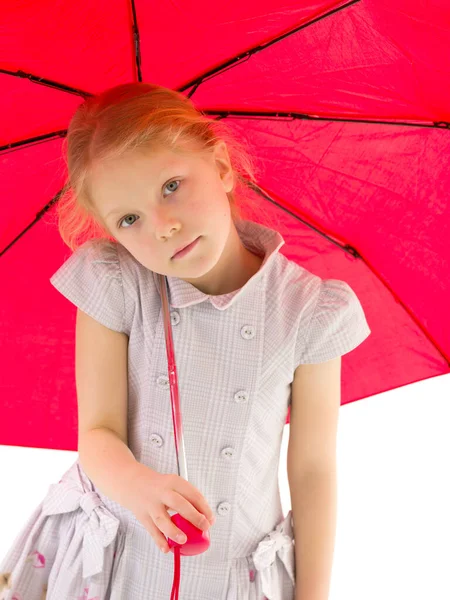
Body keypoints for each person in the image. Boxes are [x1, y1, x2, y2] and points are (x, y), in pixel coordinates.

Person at [0, 82, 371, 600]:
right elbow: (98, 433)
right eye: (129, 220)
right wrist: (138, 486)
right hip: (115, 559)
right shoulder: (117, 285)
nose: (164, 227)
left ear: (220, 166)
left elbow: (312, 470)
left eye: (171, 185)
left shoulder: (306, 312)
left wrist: (313, 595)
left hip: (231, 573)